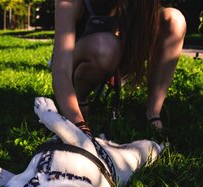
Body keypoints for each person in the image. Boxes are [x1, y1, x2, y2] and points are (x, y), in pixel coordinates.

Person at [51, 0, 186, 132]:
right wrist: (79, 125)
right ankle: (80, 98)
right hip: (82, 59)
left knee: (174, 20)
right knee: (105, 46)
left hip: (117, 55)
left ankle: (152, 113)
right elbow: (61, 71)